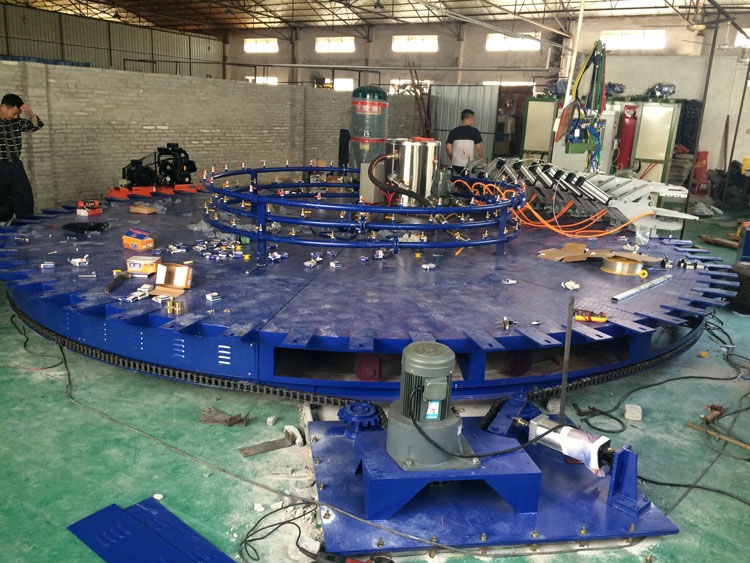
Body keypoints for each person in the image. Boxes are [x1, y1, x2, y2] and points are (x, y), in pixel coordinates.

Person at [0, 93, 44, 222]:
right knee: (3, 201)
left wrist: (31, 114)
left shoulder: (16, 122)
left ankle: (25, 225)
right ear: (3, 107)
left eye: (18, 114)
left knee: (24, 197)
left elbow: (34, 126)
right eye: (14, 113)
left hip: (15, 165)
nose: (16, 116)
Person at [445, 108, 484, 176]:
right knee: (467, 182)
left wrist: (452, 157)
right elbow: (479, 148)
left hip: (455, 164)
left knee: (456, 181)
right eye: (473, 119)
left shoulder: (454, 131)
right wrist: (482, 159)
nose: (473, 121)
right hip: (469, 165)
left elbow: (448, 147)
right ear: (469, 118)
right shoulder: (475, 131)